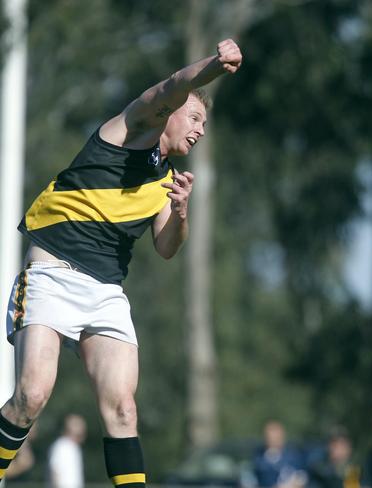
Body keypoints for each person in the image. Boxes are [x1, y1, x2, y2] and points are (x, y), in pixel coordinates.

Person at [0, 38, 242, 487]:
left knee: (124, 409)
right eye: (194, 117)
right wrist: (214, 64)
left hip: (106, 291)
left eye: (205, 124)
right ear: (168, 114)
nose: (200, 129)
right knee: (32, 394)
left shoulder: (168, 180)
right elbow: (173, 85)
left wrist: (183, 212)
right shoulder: (130, 128)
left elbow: (167, 247)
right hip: (53, 272)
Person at [253, 420, 307, 488]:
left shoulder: (293, 457)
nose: (273, 441)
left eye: (276, 437)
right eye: (270, 438)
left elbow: (301, 479)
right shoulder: (259, 458)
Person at [47, 413, 87, 488]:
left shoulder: (74, 446)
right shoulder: (62, 445)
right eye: (78, 424)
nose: (83, 428)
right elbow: (55, 471)